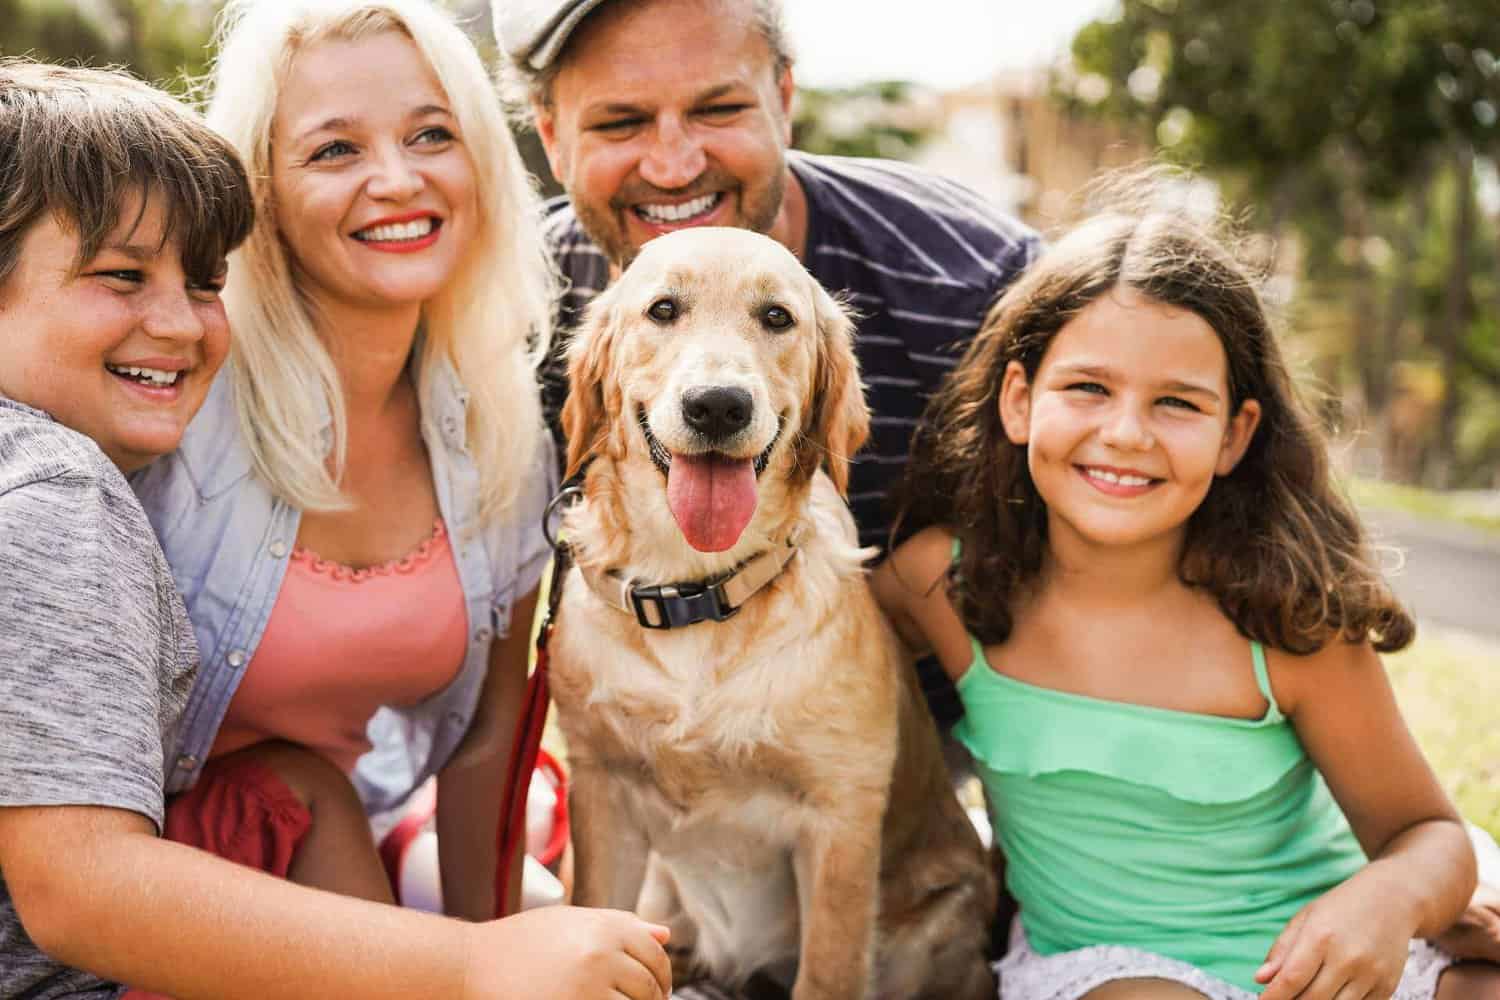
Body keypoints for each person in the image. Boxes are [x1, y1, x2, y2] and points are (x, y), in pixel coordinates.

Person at [0, 57, 670, 1000]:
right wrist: (473, 965)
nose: (182, 325)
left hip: (295, 821)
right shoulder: (64, 492)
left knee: (298, 787)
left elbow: (485, 732)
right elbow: (75, 889)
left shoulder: (497, 424)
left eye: (201, 283)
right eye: (119, 276)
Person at [870, 176, 1500, 1000]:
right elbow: (807, 637)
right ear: (1020, 401)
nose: (1125, 434)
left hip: (1328, 965)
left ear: (1235, 434)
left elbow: (1427, 833)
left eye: (1176, 403)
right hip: (1107, 967)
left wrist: (1389, 898)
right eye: (1088, 389)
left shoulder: (1286, 620)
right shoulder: (942, 582)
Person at [493, 0, 1040, 737]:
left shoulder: (978, 290)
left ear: (784, 101)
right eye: (620, 123)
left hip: (930, 763)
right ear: (553, 137)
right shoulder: (512, 302)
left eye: (717, 109)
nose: (674, 164)